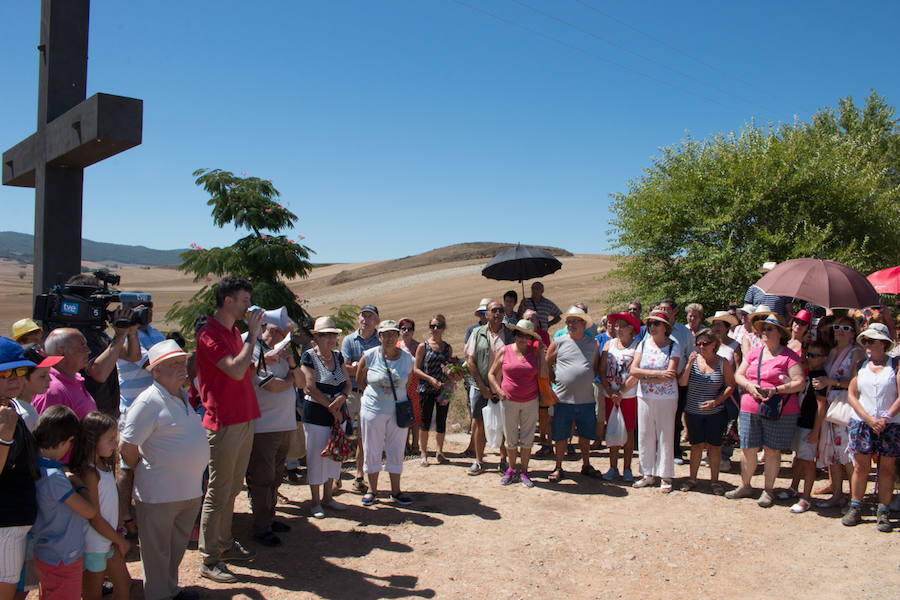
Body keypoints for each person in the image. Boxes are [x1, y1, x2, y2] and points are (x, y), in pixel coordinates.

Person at [119, 339, 210, 599]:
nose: (182, 368)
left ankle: (170, 589)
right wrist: (145, 468)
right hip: (159, 492)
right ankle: (159, 594)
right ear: (156, 371)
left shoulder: (182, 396)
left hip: (187, 490)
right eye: (173, 364)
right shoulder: (148, 402)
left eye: (182, 362)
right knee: (156, 549)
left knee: (174, 546)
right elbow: (128, 446)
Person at [195, 275, 262, 582]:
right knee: (218, 492)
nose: (249, 305)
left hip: (243, 417)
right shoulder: (210, 333)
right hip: (224, 422)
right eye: (244, 300)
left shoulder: (233, 331)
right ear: (228, 301)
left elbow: (243, 368)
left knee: (233, 487)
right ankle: (209, 559)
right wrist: (253, 336)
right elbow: (235, 370)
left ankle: (223, 543)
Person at [728, 312, 805, 506]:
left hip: (779, 410)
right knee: (747, 448)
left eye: (769, 328)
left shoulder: (790, 357)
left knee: (772, 450)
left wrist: (777, 390)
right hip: (750, 407)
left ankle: (768, 490)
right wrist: (749, 386)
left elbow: (799, 383)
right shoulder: (755, 353)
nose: (764, 332)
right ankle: (745, 485)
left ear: (780, 333)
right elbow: (739, 375)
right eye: (763, 329)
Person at [246, 321, 306, 547]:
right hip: (264, 427)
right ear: (272, 331)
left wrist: (291, 364)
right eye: (285, 331)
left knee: (276, 475)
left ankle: (269, 518)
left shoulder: (284, 354)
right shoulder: (255, 351)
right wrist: (291, 379)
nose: (288, 335)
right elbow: (271, 385)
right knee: (262, 478)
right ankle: (261, 527)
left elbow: (301, 383)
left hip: (284, 424)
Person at [31, 405, 96, 600]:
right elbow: (89, 511)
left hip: (45, 553)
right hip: (63, 557)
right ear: (65, 441)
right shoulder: (55, 478)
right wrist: (79, 484)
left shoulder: (36, 466)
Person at [60, 274, 142, 420]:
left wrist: (131, 331)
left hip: (106, 414)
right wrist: (120, 335)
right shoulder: (76, 336)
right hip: (88, 416)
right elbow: (98, 373)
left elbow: (133, 356)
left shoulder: (97, 333)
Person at [843, 323, 900, 531]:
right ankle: (855, 506)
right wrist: (868, 419)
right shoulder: (860, 365)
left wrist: (885, 417)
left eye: (871, 340)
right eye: (865, 340)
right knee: (860, 466)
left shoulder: (896, 365)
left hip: (891, 424)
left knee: (886, 469)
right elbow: (852, 394)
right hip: (863, 423)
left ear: (884, 344)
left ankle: (883, 511)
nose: (867, 344)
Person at [69, 413, 131, 600]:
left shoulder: (103, 467)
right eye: (110, 439)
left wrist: (118, 532)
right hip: (94, 545)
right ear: (93, 440)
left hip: (109, 540)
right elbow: (93, 516)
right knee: (92, 595)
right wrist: (119, 539)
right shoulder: (89, 473)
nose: (114, 444)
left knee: (125, 585)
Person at [356, 320, 415, 506]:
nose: (389, 338)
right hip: (373, 409)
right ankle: (372, 490)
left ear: (397, 336)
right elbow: (360, 378)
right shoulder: (370, 356)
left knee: (396, 449)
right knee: (372, 448)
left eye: (393, 334)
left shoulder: (407, 359)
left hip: (397, 411)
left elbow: (408, 381)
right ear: (379, 336)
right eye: (385, 334)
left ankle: (396, 491)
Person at [300, 317, 351, 519]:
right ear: (318, 337)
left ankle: (328, 497)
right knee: (315, 456)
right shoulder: (308, 357)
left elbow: (347, 382)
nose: (331, 339)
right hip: (317, 414)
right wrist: (331, 407)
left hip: (337, 412)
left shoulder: (337, 357)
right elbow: (310, 387)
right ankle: (315, 501)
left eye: (333, 335)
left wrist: (342, 398)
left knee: (333, 455)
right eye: (327, 335)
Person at [0, 338, 39, 600]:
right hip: (5, 522)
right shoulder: (5, 415)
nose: (14, 379)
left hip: (16, 520)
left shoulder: (11, 407)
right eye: (4, 373)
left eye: (20, 371)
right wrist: (5, 434)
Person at [812, 314, 863, 508]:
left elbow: (856, 382)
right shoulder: (832, 352)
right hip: (831, 405)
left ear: (853, 334)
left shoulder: (856, 353)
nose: (840, 331)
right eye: (837, 328)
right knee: (832, 451)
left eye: (846, 328)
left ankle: (854, 497)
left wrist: (831, 382)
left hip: (846, 404)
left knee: (847, 452)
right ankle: (837, 494)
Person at [488, 319, 546, 487]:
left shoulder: (535, 353)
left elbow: (543, 374)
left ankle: (525, 471)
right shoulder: (504, 351)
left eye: (526, 335)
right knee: (511, 437)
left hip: (530, 400)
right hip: (509, 401)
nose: (522, 338)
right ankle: (512, 469)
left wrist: (542, 354)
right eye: (520, 334)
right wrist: (498, 391)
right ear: (515, 335)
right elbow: (491, 374)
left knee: (527, 437)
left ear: (531, 338)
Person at [628, 311, 681, 492]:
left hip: (666, 397)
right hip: (644, 396)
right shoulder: (643, 344)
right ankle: (647, 473)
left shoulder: (674, 345)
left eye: (656, 324)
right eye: (650, 324)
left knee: (665, 435)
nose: (652, 327)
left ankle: (665, 475)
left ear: (665, 327)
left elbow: (671, 374)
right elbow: (634, 370)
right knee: (645, 434)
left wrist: (646, 376)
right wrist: (657, 375)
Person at [677, 329, 735, 495]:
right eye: (699, 343)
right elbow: (682, 382)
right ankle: (692, 479)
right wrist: (689, 364)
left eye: (705, 343)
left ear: (714, 344)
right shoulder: (693, 361)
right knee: (696, 447)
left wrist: (716, 402)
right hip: (693, 412)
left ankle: (715, 481)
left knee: (715, 448)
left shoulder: (722, 362)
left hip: (715, 413)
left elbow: (731, 385)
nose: (701, 346)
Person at [546, 306, 600, 482]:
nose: (571, 324)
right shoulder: (559, 341)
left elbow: (597, 368)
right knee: (560, 435)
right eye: (568, 321)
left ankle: (586, 464)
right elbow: (546, 364)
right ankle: (558, 467)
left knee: (585, 435)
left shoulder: (593, 344)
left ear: (584, 323)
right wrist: (552, 384)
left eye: (575, 321)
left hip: (586, 399)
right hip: (562, 399)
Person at [464, 301, 512, 475]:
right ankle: (478, 460)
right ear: (487, 314)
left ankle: (503, 460)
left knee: (505, 425)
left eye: (500, 310)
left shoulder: (510, 334)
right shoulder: (477, 333)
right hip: (480, 386)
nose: (498, 313)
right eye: (494, 310)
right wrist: (482, 385)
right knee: (479, 424)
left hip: (504, 387)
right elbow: (470, 360)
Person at [784, 339, 829, 514]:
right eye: (808, 354)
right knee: (800, 457)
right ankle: (794, 487)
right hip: (800, 420)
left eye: (814, 355)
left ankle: (806, 498)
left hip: (810, 425)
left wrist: (816, 431)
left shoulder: (820, 377)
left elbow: (821, 406)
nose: (810, 358)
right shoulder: (808, 373)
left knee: (809, 462)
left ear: (824, 358)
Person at [341, 305, 381, 493]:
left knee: (363, 437)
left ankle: (359, 476)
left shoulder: (381, 341)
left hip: (372, 395)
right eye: (363, 316)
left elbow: (381, 368)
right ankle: (335, 476)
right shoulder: (349, 340)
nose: (365, 319)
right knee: (341, 433)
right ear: (358, 319)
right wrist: (366, 369)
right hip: (351, 394)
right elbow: (344, 368)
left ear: (377, 321)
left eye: (370, 316)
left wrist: (357, 367)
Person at [597, 312, 640, 482]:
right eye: (616, 325)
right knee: (613, 430)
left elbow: (635, 373)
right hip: (610, 395)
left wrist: (621, 392)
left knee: (629, 431)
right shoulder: (609, 345)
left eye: (623, 326)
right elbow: (601, 369)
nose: (618, 329)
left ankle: (627, 468)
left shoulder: (638, 346)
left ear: (631, 329)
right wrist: (609, 391)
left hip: (628, 395)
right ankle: (613, 467)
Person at [32, 329, 98, 420]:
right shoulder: (52, 389)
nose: (88, 351)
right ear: (61, 352)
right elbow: (48, 432)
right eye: (82, 346)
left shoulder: (74, 379)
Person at [415, 314, 453, 467]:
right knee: (424, 421)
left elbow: (449, 368)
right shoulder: (423, 346)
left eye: (438, 326)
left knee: (441, 421)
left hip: (444, 390)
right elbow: (416, 369)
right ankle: (423, 453)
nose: (435, 329)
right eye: (432, 326)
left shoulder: (447, 348)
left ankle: (439, 451)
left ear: (443, 328)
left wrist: (453, 375)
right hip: (426, 388)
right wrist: (430, 379)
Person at [13, 344, 63, 431]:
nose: (50, 379)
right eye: (43, 376)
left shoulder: (26, 407)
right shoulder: (25, 415)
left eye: (49, 374)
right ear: (23, 377)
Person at [397, 318, 421, 455]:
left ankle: (416, 444)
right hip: (401, 384)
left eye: (409, 329)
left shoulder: (419, 347)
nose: (406, 331)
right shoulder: (396, 347)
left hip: (415, 384)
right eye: (403, 329)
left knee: (416, 415)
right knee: (403, 414)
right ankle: (404, 444)